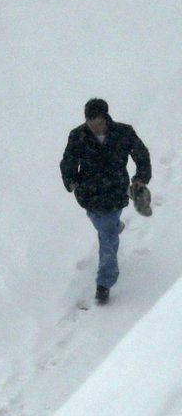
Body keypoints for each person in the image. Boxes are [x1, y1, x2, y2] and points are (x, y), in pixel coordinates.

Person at [60, 98, 151, 303]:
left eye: (99, 122)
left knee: (107, 236)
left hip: (114, 191)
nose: (95, 127)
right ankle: (116, 226)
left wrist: (140, 179)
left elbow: (142, 156)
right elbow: (68, 161)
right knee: (103, 225)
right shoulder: (78, 136)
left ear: (106, 117)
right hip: (89, 194)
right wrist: (71, 181)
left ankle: (105, 282)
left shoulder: (123, 132)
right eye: (91, 123)